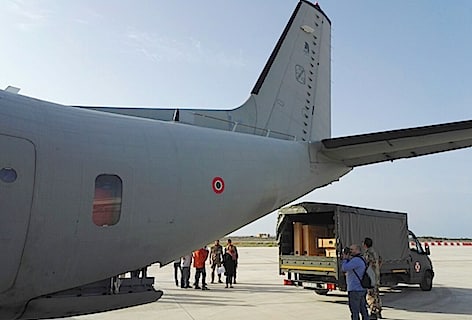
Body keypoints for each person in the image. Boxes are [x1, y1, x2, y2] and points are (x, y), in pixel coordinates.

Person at [341, 244, 369, 320]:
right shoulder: (361, 259)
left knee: (355, 311)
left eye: (351, 250)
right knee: (363, 309)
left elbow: (344, 268)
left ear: (357, 250)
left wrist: (345, 258)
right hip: (361, 288)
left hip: (355, 289)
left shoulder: (356, 260)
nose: (350, 251)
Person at [363, 237, 382, 319]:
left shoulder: (368, 253)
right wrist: (377, 269)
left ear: (365, 244)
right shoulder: (375, 251)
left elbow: (366, 264)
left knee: (371, 295)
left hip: (371, 277)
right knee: (377, 294)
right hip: (376, 276)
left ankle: (373, 312)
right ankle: (379, 311)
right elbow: (380, 260)